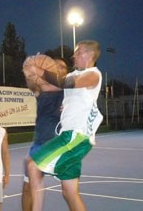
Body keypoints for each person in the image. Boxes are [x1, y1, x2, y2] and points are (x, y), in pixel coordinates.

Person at [27, 40, 103, 211]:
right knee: (69, 193)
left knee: (33, 166)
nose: (73, 55)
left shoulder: (93, 74)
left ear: (89, 54)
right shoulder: (73, 76)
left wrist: (39, 70)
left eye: (78, 52)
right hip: (74, 137)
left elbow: (65, 83)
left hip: (74, 137)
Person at [21, 58, 68, 211]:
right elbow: (31, 84)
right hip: (39, 144)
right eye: (56, 66)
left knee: (69, 191)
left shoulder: (70, 89)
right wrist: (29, 69)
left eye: (63, 66)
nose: (59, 68)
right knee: (27, 188)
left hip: (59, 144)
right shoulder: (42, 88)